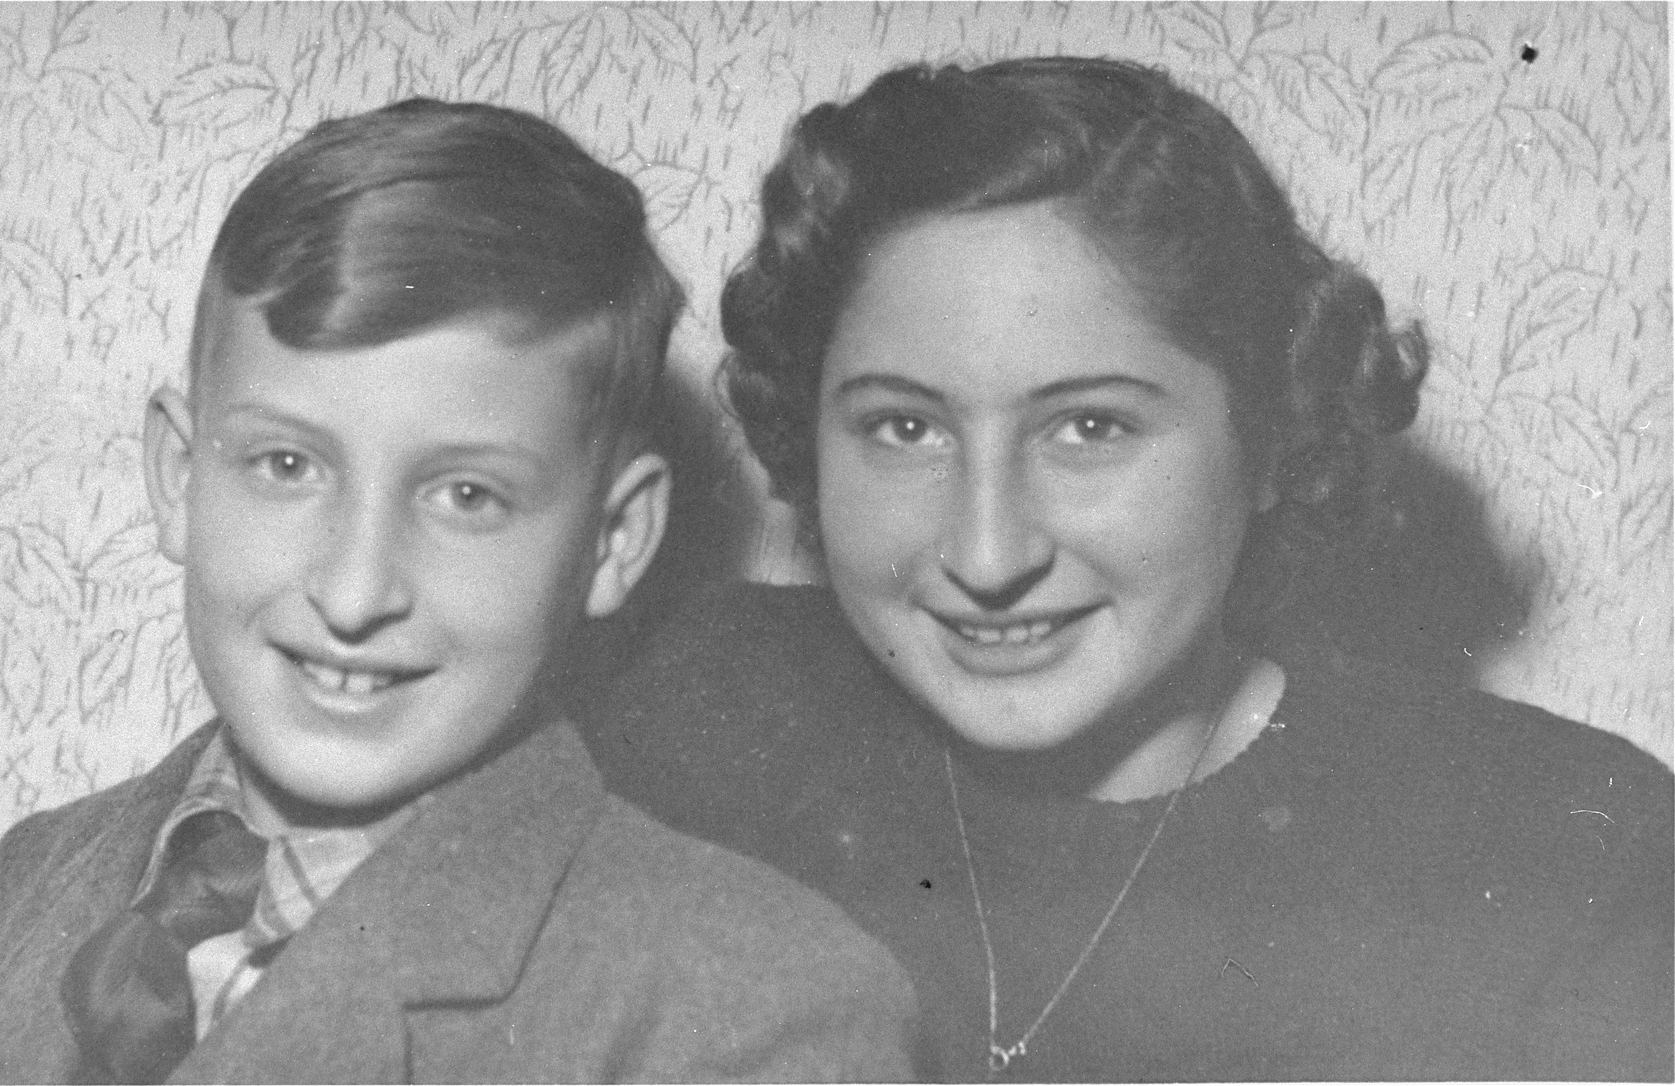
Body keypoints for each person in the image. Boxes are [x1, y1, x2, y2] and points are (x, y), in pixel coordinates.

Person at [582, 58, 1675, 1081]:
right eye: (905, 429)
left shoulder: (1561, 853)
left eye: (1091, 427)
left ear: (1270, 436)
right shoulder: (687, 723)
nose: (989, 553)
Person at [0, 98, 920, 1085]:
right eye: (285, 465)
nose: (356, 593)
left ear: (615, 540)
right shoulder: (46, 872)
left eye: (466, 496)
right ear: (180, 477)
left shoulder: (755, 1008)